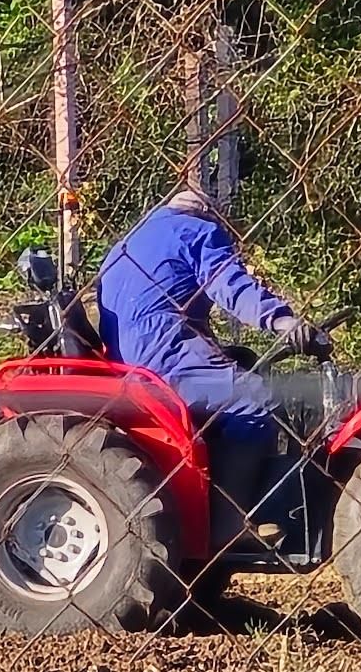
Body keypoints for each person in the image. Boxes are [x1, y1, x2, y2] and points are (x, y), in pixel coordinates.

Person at [97, 189, 323, 551]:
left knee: (242, 365)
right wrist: (282, 321)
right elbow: (232, 288)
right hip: (165, 357)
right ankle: (230, 523)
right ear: (210, 215)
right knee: (254, 401)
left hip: (129, 361)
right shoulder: (198, 232)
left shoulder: (129, 242)